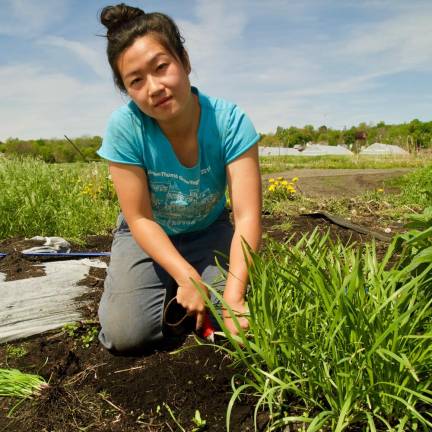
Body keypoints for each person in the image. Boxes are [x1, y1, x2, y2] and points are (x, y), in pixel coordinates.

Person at [96, 3, 262, 354]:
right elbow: (139, 217)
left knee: (241, 313)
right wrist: (186, 275)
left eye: (161, 67)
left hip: (208, 227)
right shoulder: (125, 128)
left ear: (184, 61)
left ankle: (190, 286)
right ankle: (173, 281)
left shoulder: (229, 121)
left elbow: (246, 216)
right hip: (147, 232)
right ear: (127, 91)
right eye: (136, 81)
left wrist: (233, 297)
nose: (154, 87)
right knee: (126, 334)